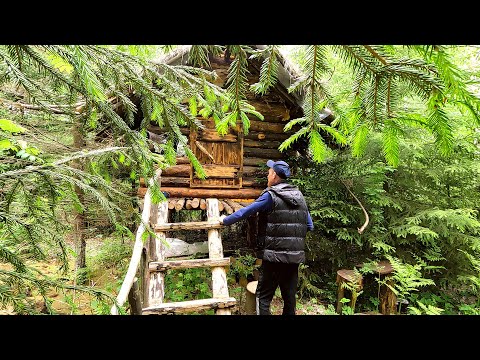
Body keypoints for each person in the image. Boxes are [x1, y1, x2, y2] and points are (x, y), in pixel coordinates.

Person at [220, 160, 314, 315]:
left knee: (263, 297)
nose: (267, 174)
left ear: (275, 175)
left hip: (273, 258)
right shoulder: (299, 196)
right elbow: (309, 226)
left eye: (269, 172)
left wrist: (225, 220)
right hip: (293, 258)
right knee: (289, 297)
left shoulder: (270, 196)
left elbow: (246, 212)